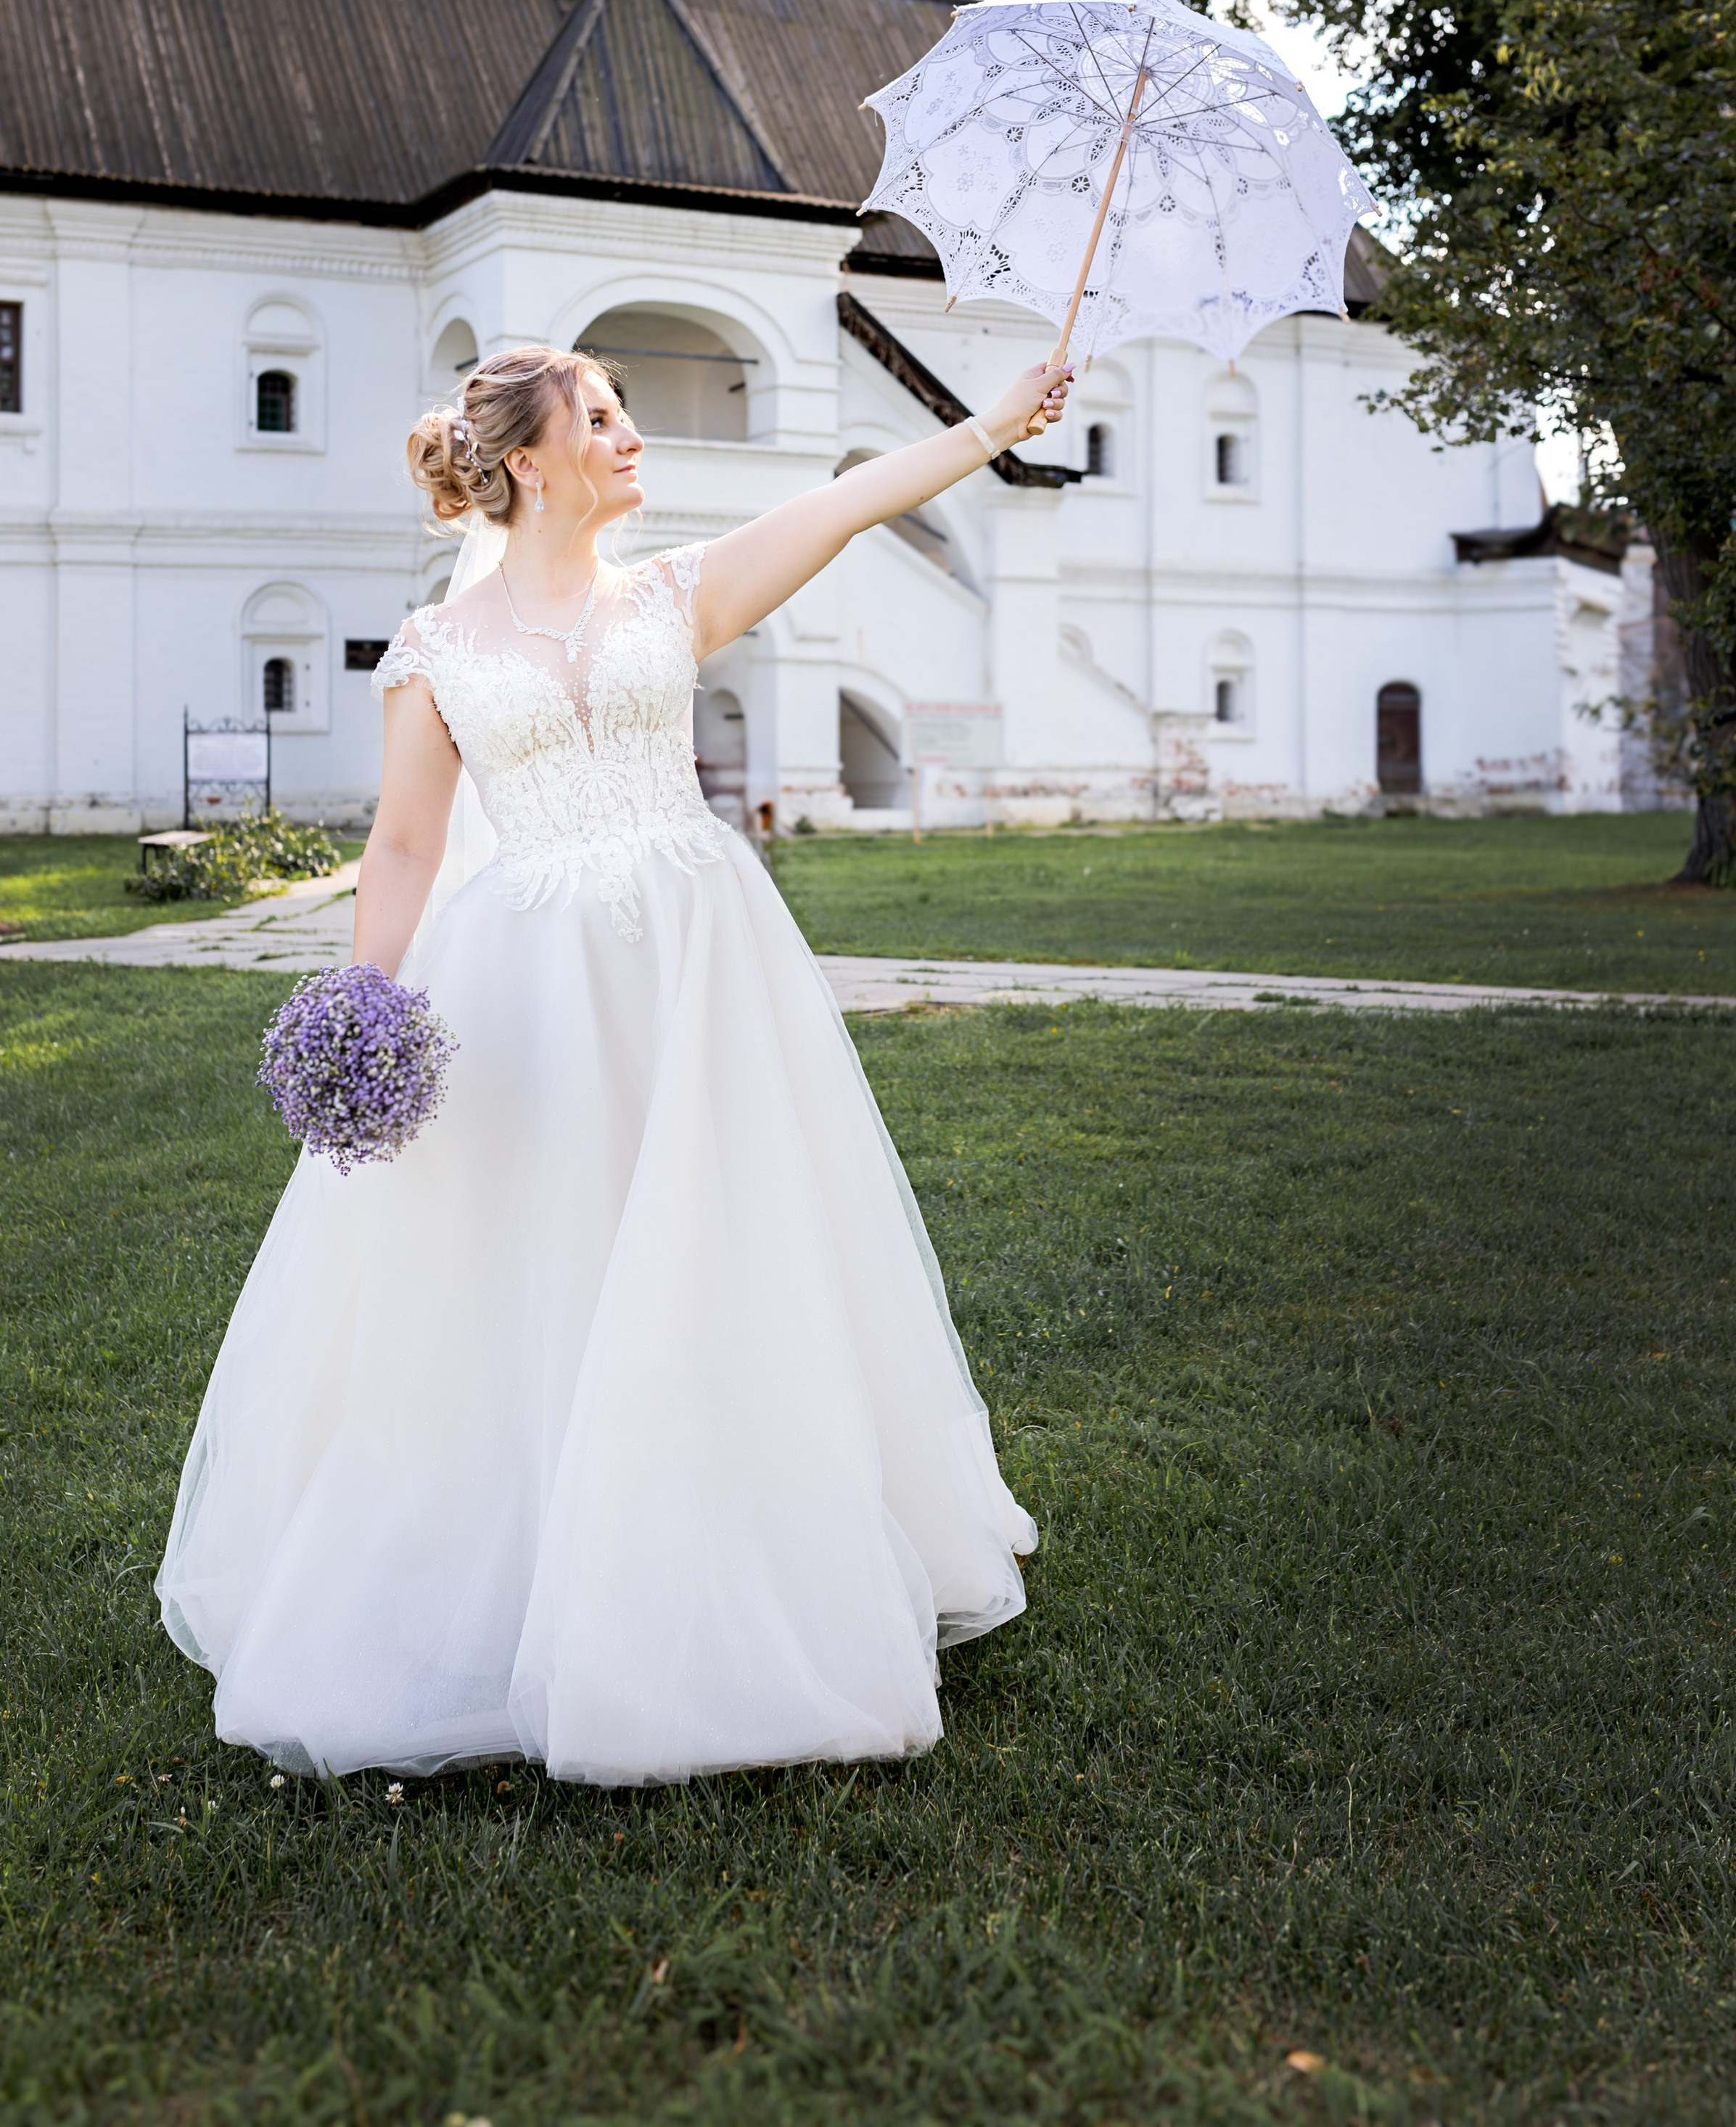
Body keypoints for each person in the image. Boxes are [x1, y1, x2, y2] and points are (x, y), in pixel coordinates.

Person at [156, 342, 1071, 1786]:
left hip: (700, 968)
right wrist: (361, 1008)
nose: (631, 434)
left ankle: (738, 1547)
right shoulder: (432, 653)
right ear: (527, 461)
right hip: (526, 987)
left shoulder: (673, 593)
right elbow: (404, 845)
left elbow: (842, 504)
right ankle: (535, 1563)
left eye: (626, 411)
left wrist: (989, 429)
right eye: (600, 416)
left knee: (719, 1241)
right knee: (549, 1258)